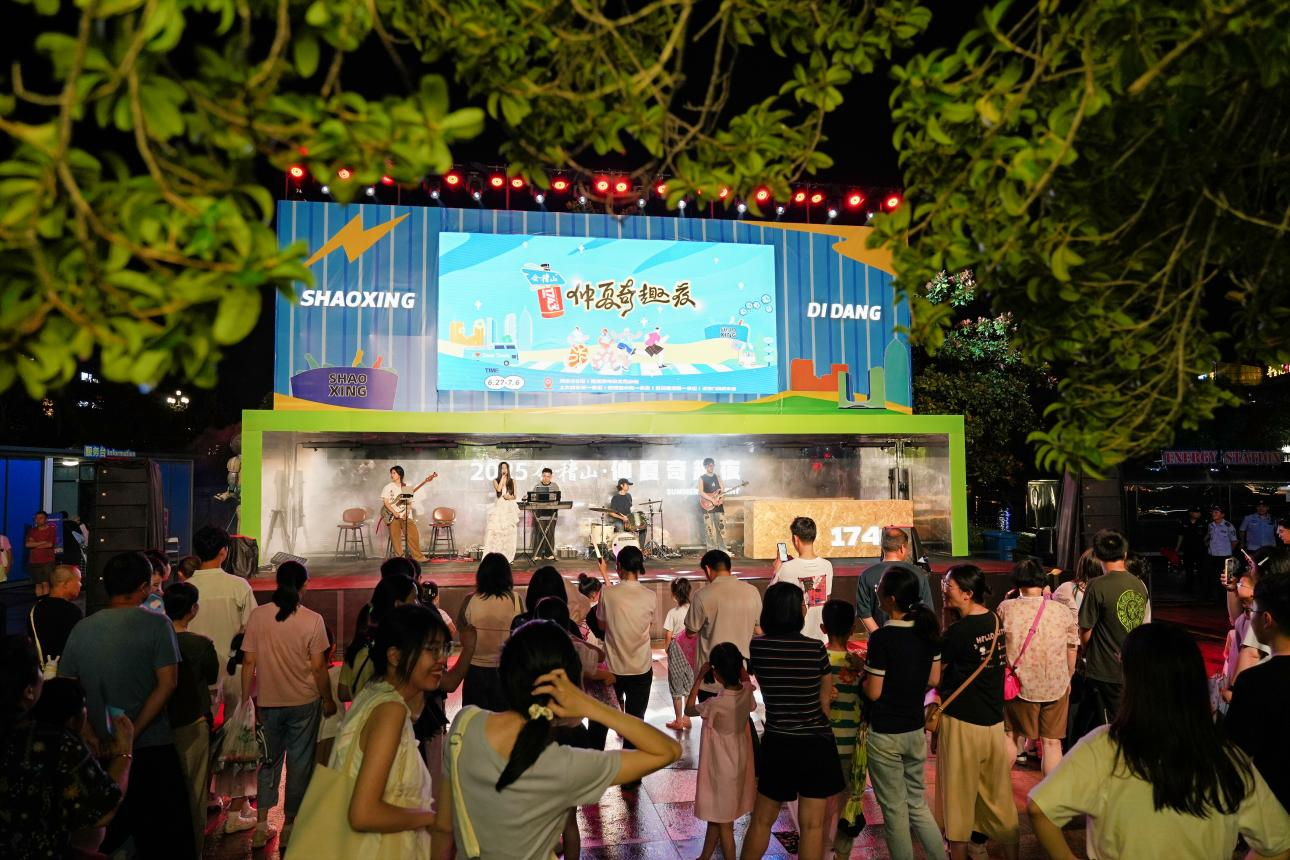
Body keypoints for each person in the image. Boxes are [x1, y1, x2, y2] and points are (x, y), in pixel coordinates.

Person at [1028, 623, 1290, 860]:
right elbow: (1280, 843)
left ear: (1133, 680)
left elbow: (1040, 809)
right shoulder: (1226, 758)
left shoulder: (1106, 746)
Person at [430, 620, 681, 860]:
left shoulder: (465, 725)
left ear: (505, 674)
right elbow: (668, 750)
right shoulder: (565, 765)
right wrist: (590, 705)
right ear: (568, 687)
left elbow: (443, 829)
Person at [57, 551, 194, 858]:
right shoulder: (158, 625)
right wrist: (133, 732)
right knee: (163, 838)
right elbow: (168, 684)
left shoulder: (82, 628)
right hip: (152, 746)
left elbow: (68, 687)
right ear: (144, 587)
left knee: (106, 837)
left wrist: (89, 732)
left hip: (99, 750)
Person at [325, 604, 450, 856]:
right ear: (395, 656)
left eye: (444, 649)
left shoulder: (373, 693)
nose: (442, 660)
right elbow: (363, 813)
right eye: (432, 649)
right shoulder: (390, 710)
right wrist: (430, 818)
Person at [0, 642, 133, 860]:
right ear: (29, 691)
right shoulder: (55, 743)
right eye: (39, 670)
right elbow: (101, 810)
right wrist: (124, 752)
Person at [742, 582, 843, 860]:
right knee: (812, 826)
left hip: (778, 741)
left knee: (762, 820)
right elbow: (825, 703)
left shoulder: (758, 648)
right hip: (815, 744)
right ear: (795, 611)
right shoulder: (815, 649)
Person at [241, 560, 337, 849]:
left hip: (268, 702)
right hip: (304, 701)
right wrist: (328, 699)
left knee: (268, 762)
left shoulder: (258, 616)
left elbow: (249, 662)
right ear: (304, 585)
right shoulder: (313, 620)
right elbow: (319, 668)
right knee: (299, 764)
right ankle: (290, 826)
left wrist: (246, 701)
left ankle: (261, 826)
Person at [933, 564, 1019, 860]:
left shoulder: (958, 631)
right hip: (993, 722)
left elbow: (935, 673)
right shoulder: (995, 620)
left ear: (967, 593)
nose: (944, 590)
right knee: (998, 798)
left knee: (958, 800)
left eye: (949, 586)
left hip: (962, 723)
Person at [863, 565, 945, 860]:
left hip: (885, 733)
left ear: (891, 599)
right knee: (917, 804)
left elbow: (874, 692)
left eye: (880, 589)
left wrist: (861, 679)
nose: (877, 592)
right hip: (914, 728)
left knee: (894, 810)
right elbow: (934, 679)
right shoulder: (928, 632)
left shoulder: (882, 638)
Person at [998, 559, 1078, 776]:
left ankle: (997, 791)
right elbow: (1072, 648)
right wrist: (1069, 677)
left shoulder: (1006, 608)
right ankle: (1050, 795)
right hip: (1056, 685)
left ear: (1016, 581)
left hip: (1019, 686)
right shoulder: (1061, 611)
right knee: (1052, 743)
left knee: (1011, 736)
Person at [162, 581, 219, 858]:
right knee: (195, 793)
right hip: (193, 723)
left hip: (159, 723)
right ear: (193, 609)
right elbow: (212, 676)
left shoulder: (157, 641)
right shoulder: (201, 644)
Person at [684, 642, 756, 860]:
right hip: (738, 763)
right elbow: (746, 681)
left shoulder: (715, 704)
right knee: (718, 816)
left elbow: (688, 709)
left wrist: (699, 677)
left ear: (716, 674)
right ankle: (704, 857)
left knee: (725, 824)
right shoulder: (747, 693)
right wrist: (740, 667)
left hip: (721, 768)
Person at [1226, 568, 1290, 811]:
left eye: (1252, 611)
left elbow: (1236, 753)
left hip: (1272, 803)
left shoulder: (1254, 682)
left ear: (1267, 620)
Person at [1079, 529, 1151, 724]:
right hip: (1133, 666)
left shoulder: (1096, 585)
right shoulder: (1139, 585)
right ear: (1125, 554)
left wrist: (1087, 653)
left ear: (1098, 556)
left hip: (1104, 669)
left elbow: (1085, 629)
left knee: (1108, 724)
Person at [593, 545, 655, 764]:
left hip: (612, 669)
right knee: (636, 722)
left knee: (601, 719)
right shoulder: (650, 596)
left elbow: (601, 624)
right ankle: (632, 771)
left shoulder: (608, 594)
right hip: (641, 668)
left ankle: (594, 766)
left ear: (618, 567)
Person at [187, 525, 255, 711]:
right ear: (223, 552)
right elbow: (253, 628)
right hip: (232, 672)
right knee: (235, 724)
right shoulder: (239, 586)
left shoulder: (186, 588)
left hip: (196, 675)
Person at [821, 599, 866, 860]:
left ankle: (819, 847)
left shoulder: (819, 661)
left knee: (822, 801)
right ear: (852, 629)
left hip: (824, 742)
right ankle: (842, 853)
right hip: (851, 744)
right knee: (848, 801)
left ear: (823, 628)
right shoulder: (858, 665)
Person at [685, 549, 763, 699]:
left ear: (708, 569)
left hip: (711, 677)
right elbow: (758, 629)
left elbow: (690, 631)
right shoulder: (752, 592)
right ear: (729, 567)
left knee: (710, 714)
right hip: (740, 675)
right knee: (740, 713)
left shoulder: (702, 595)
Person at [458, 552, 524, 710]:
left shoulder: (470, 599)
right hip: (505, 669)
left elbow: (462, 631)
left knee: (473, 717)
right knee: (503, 717)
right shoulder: (516, 599)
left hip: (474, 669)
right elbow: (520, 633)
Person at [340, 574, 419, 702]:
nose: (418, 604)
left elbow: (343, 693)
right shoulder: (397, 649)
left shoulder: (359, 644)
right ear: (398, 604)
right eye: (415, 598)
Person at [211, 632, 259, 834]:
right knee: (243, 772)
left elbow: (219, 699)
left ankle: (243, 806)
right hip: (244, 729)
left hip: (228, 726)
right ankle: (233, 818)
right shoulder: (250, 675)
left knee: (233, 771)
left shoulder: (228, 674)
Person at [856, 527, 935, 633]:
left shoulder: (866, 575)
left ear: (882, 547)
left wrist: (880, 636)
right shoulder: (919, 573)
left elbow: (864, 613)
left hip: (881, 639)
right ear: (902, 548)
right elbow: (927, 610)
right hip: (912, 637)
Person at [771, 516, 835, 644]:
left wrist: (776, 571)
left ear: (795, 539)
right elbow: (826, 599)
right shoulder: (827, 565)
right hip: (821, 636)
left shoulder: (786, 568)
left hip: (796, 637)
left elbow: (771, 596)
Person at [28, 563, 84, 670]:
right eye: (78, 580)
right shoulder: (72, 611)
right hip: (65, 672)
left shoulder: (35, 609)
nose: (80, 585)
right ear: (65, 584)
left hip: (42, 672)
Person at [382, 465, 434, 562]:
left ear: (400, 474)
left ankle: (418, 557)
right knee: (395, 537)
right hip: (393, 515)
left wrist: (407, 512)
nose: (392, 475)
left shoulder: (406, 487)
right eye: (391, 473)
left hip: (405, 516)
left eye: (394, 473)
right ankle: (400, 558)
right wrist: (394, 512)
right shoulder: (388, 487)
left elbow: (409, 503)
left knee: (413, 535)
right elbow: (386, 502)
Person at [664, 577, 695, 730]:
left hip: (676, 649)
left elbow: (669, 634)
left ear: (674, 594)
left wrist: (667, 649)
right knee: (689, 684)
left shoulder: (672, 613)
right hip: (692, 648)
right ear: (688, 592)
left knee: (676, 684)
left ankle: (678, 721)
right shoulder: (694, 610)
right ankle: (687, 718)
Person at [482, 461, 520, 561]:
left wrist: (509, 497)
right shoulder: (495, 480)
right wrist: (503, 478)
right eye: (502, 468)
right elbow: (499, 490)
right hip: (500, 506)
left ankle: (508, 556)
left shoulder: (512, 481)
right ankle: (496, 555)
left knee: (509, 531)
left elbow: (515, 495)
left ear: (508, 469)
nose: (504, 470)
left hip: (509, 506)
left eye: (506, 468)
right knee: (497, 530)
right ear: (500, 470)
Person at [1052, 548, 1101, 616]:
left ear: (1081, 565)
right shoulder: (1107, 591)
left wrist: (1046, 594)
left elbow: (1050, 607)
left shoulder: (1067, 587)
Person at [531, 467, 562, 560]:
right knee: (539, 532)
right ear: (542, 476)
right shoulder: (537, 486)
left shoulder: (555, 486)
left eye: (548, 476)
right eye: (544, 476)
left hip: (551, 512)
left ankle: (549, 554)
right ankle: (538, 554)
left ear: (551, 477)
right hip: (540, 512)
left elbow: (558, 499)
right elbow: (533, 498)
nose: (546, 478)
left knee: (550, 533)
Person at [25, 511, 58, 598]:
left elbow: (50, 544)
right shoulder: (32, 531)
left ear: (46, 519)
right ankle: (39, 602)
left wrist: (35, 544)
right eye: (36, 518)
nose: (38, 520)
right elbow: (28, 544)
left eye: (41, 518)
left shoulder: (51, 530)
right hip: (34, 561)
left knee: (45, 583)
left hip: (47, 561)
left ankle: (45, 602)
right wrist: (43, 542)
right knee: (38, 584)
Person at [698, 458, 728, 552]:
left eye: (712, 465)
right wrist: (712, 500)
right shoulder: (702, 478)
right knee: (709, 529)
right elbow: (701, 492)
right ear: (705, 466)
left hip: (718, 506)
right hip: (707, 506)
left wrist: (722, 499)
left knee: (721, 528)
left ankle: (723, 549)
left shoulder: (718, 477)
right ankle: (711, 550)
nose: (711, 467)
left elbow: (722, 491)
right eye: (708, 465)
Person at [1176, 508, 1208, 593]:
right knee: (1188, 570)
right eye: (1196, 512)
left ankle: (1203, 589)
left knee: (1201, 570)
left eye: (1199, 512)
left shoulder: (1204, 522)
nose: (1198, 514)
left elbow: (1208, 534)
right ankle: (1189, 588)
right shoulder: (1184, 522)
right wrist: (1177, 548)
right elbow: (1181, 535)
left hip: (1200, 549)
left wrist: (1205, 542)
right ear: (1191, 513)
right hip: (1188, 549)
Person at [1209, 506, 1241, 590]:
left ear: (1222, 515)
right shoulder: (1210, 525)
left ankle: (1226, 596)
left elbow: (1234, 541)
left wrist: (1230, 552)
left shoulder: (1229, 526)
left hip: (1226, 556)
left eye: (1216, 512)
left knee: (1227, 579)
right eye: (1213, 512)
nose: (1213, 514)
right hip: (1213, 556)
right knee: (1214, 578)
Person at [606, 477, 646, 545]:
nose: (628, 486)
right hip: (618, 520)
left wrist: (634, 515)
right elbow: (611, 513)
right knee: (620, 527)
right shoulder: (615, 498)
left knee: (643, 527)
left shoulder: (629, 496)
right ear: (621, 485)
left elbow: (630, 509)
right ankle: (622, 547)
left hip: (628, 520)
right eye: (627, 484)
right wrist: (622, 518)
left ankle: (640, 547)